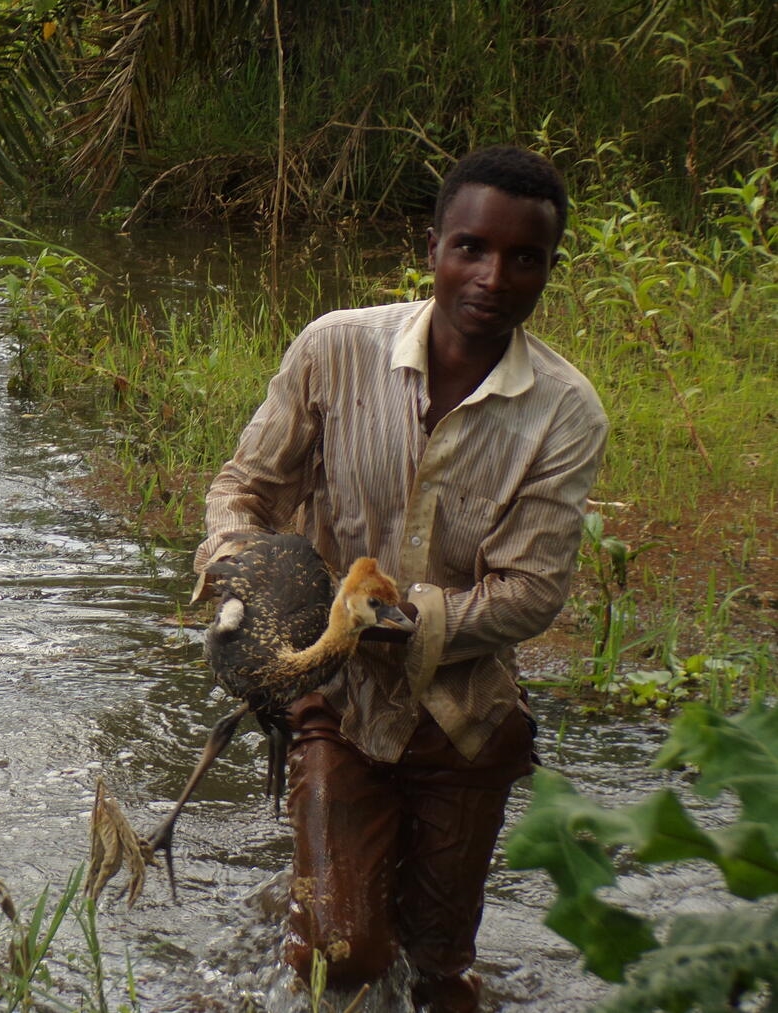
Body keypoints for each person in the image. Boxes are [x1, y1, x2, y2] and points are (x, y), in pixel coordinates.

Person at [192, 147, 607, 1011]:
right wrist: (242, 575)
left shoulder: (565, 413)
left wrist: (389, 615)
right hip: (336, 701)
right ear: (434, 248)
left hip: (461, 719)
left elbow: (530, 591)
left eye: (523, 257)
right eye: (471, 248)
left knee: (438, 963)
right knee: (339, 954)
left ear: (547, 270)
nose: (494, 276)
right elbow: (247, 486)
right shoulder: (337, 349)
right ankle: (312, 920)